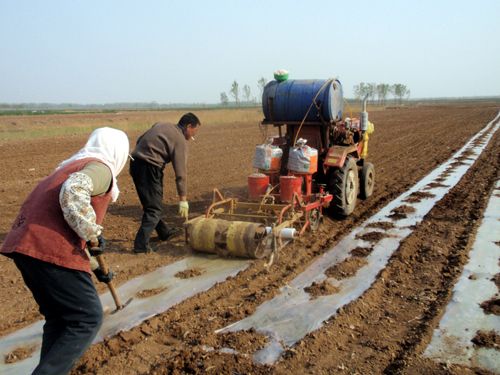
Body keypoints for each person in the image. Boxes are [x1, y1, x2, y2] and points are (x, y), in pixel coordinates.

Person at [0, 127, 130, 375]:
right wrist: (92, 230)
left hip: (24, 244)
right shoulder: (101, 168)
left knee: (60, 319)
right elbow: (73, 191)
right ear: (118, 152)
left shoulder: (71, 164)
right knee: (87, 318)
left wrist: (94, 267)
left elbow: (65, 220)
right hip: (47, 247)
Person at [130, 112, 200, 253]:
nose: (194, 135)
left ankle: (164, 232)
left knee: (151, 204)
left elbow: (141, 139)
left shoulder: (162, 124)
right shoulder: (180, 140)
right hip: (150, 168)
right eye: (194, 130)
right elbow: (181, 173)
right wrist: (183, 199)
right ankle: (140, 246)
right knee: (154, 209)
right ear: (188, 126)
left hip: (135, 163)